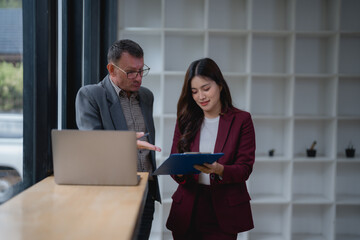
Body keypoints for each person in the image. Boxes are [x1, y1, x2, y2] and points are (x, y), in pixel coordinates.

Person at [75, 39, 161, 240]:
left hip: (146, 191)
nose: (138, 78)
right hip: (113, 194)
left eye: (141, 70)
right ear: (111, 70)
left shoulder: (146, 96)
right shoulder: (91, 95)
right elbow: (91, 144)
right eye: (131, 72)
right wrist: (126, 144)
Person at [166, 58, 255, 239]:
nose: (201, 96)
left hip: (223, 212)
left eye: (206, 89)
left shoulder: (242, 120)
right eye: (194, 91)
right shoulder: (185, 120)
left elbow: (245, 168)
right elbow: (174, 164)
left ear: (220, 85)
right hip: (188, 208)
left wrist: (219, 169)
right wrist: (181, 170)